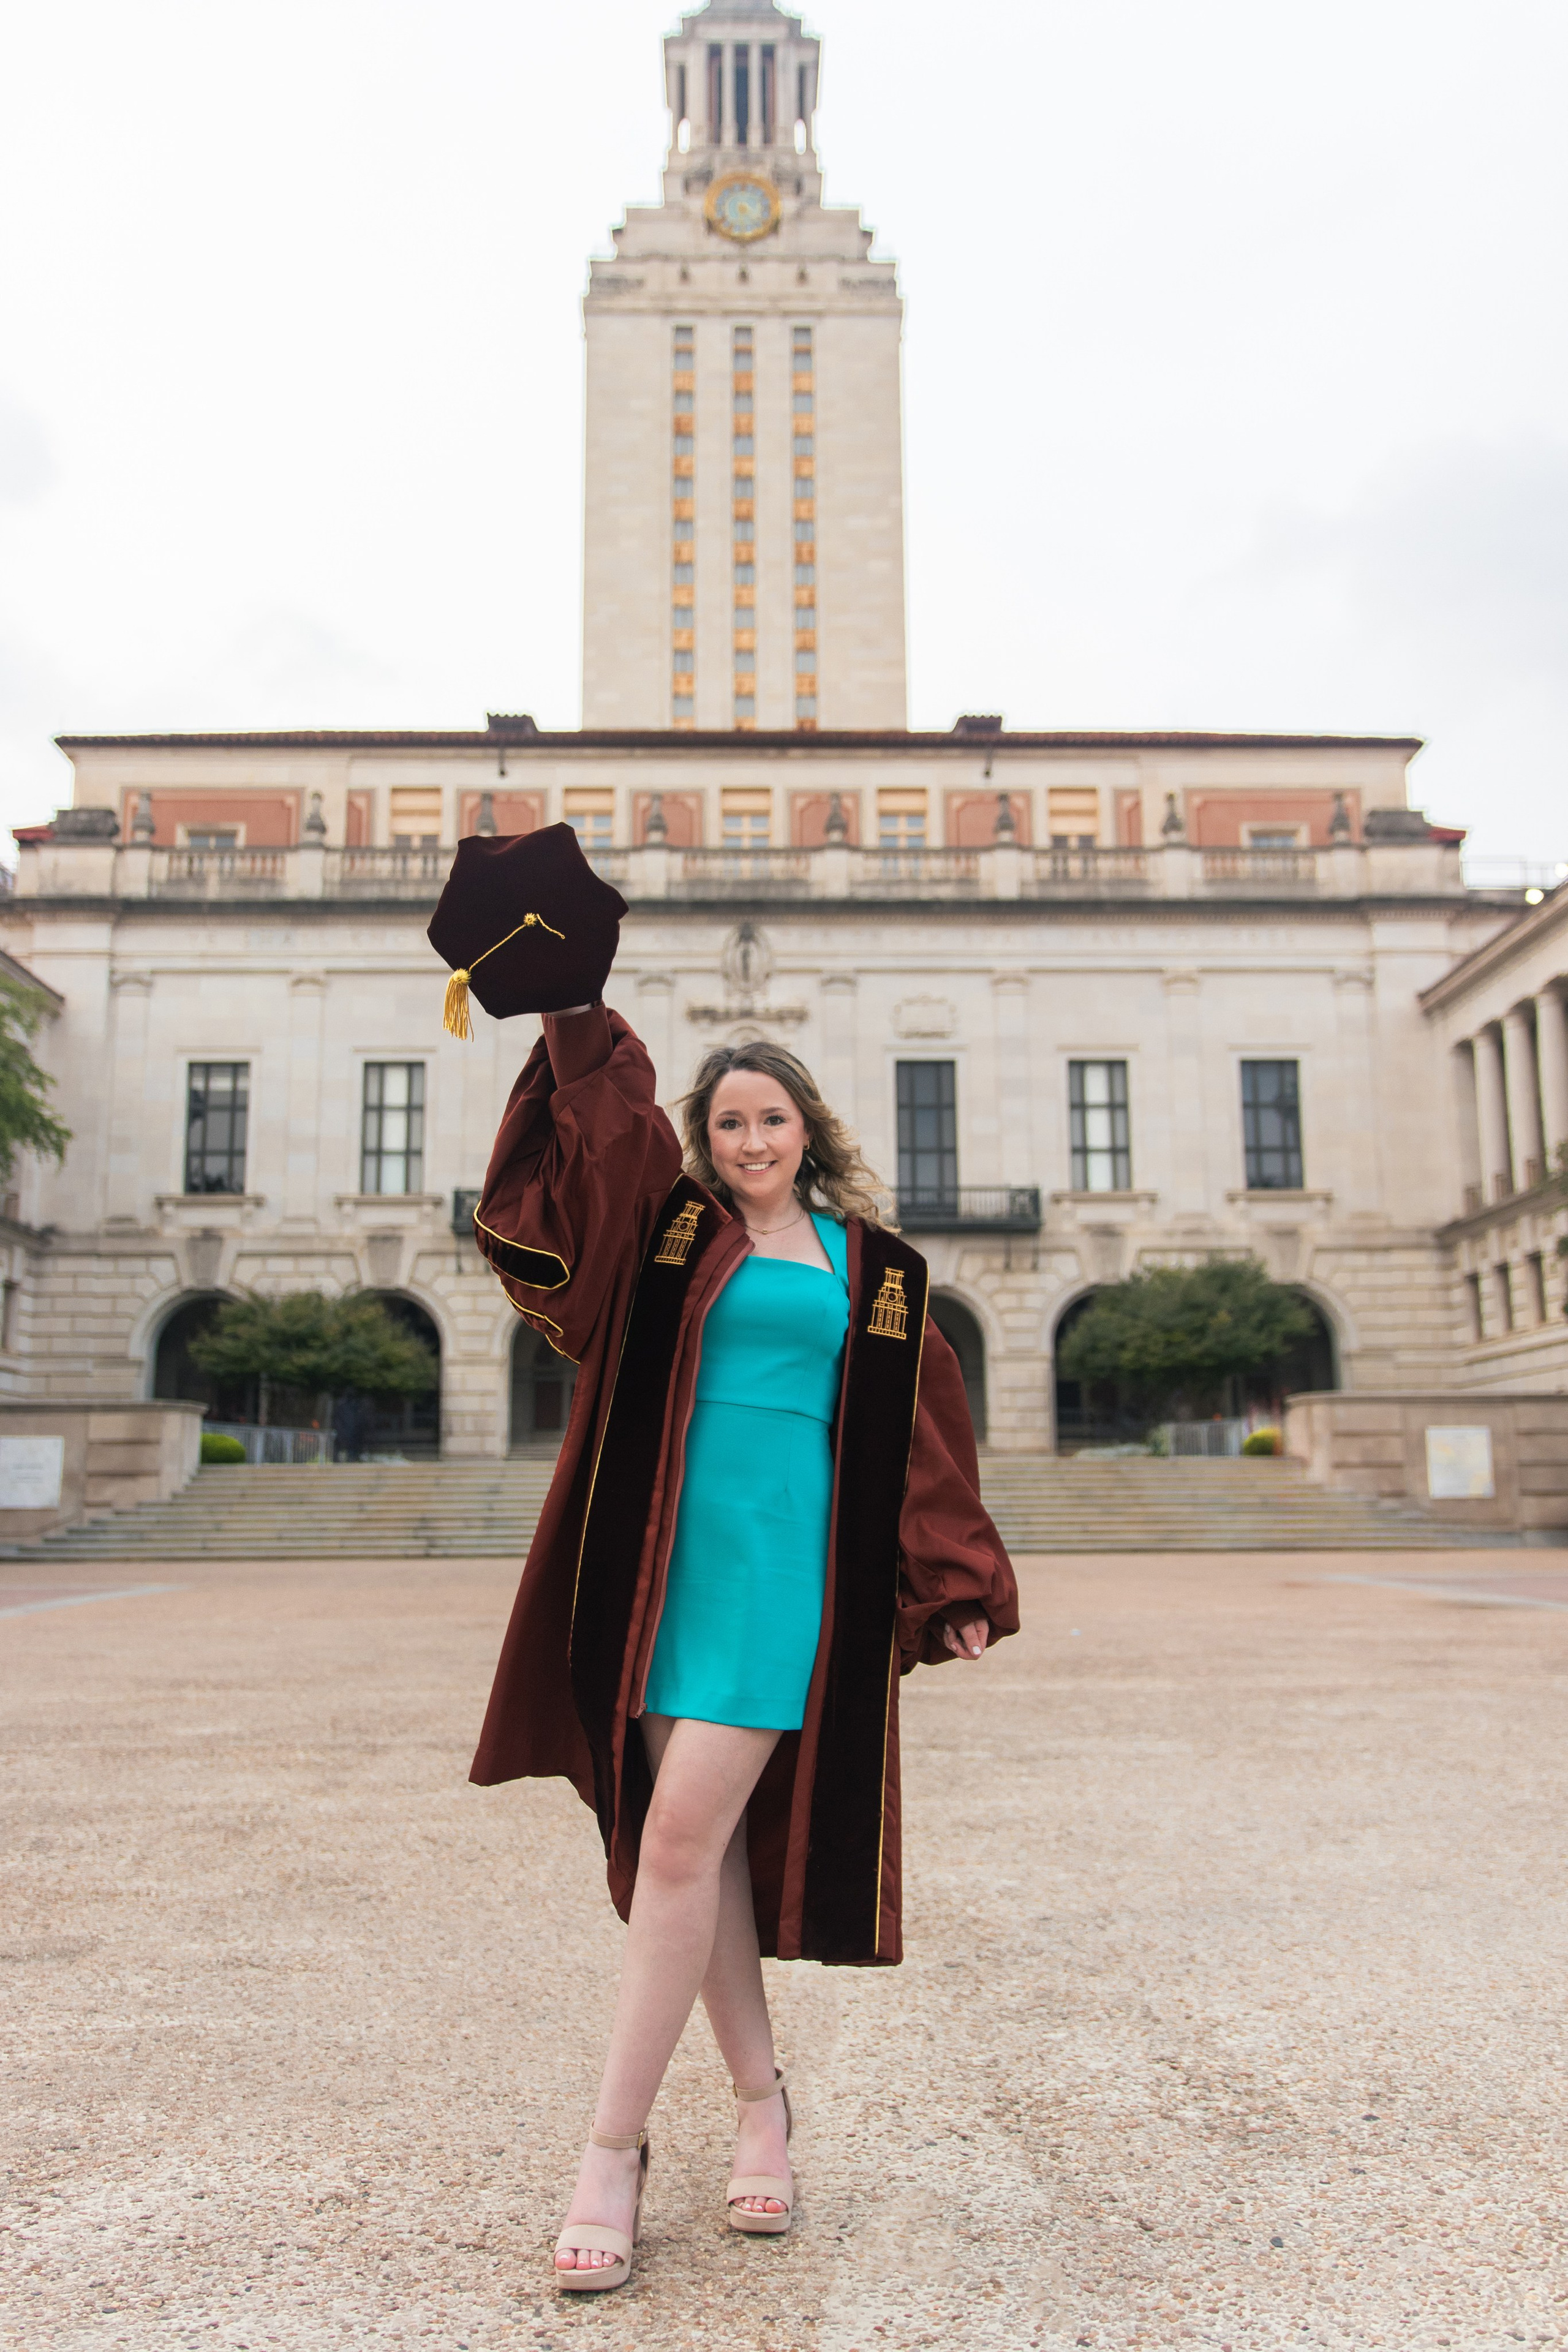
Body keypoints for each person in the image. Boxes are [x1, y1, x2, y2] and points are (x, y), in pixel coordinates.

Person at [466, 991, 1019, 2293]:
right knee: (693, 1853)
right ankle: (762, 2110)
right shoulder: (669, 1243)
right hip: (662, 1562)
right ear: (703, 1140)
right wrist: (571, 1015)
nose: (750, 1139)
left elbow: (927, 1436)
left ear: (803, 1130)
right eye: (726, 1122)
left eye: (769, 1118)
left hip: (783, 1564)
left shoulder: (875, 1273)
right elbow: (597, 1146)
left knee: (674, 1840)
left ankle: (610, 2149)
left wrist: (954, 1584)